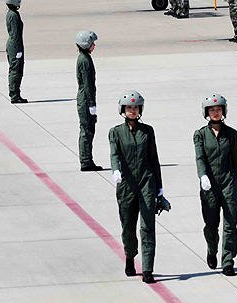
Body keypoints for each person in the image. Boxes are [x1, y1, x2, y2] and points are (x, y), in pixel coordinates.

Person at [109, 90, 165, 284]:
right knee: (128, 227)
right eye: (129, 107)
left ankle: (148, 269)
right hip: (126, 186)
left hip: (146, 184)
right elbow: (114, 154)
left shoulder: (148, 131)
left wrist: (160, 188)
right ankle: (130, 256)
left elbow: (154, 159)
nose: (132, 111)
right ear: (123, 110)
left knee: (147, 227)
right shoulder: (115, 132)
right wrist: (116, 170)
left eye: (135, 107)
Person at [194, 93, 237, 276]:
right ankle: (212, 249)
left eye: (218, 109)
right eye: (212, 110)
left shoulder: (232, 134)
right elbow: (199, 157)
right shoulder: (200, 135)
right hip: (209, 186)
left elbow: (235, 161)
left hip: (228, 182)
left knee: (230, 224)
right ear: (207, 112)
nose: (215, 113)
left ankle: (228, 261)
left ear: (224, 111)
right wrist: (202, 176)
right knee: (211, 224)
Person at [76, 30, 103, 171]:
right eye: (92, 43)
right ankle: (86, 161)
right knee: (87, 130)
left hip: (84, 99)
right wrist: (92, 104)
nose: (94, 46)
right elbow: (88, 85)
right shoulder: (85, 60)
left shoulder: (83, 57)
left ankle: (87, 159)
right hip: (86, 100)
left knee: (87, 129)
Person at [5, 0, 27, 104]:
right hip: (15, 46)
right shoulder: (13, 15)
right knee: (16, 71)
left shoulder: (12, 13)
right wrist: (18, 50)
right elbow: (15, 34)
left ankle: (15, 93)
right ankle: (14, 95)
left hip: (14, 45)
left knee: (15, 70)